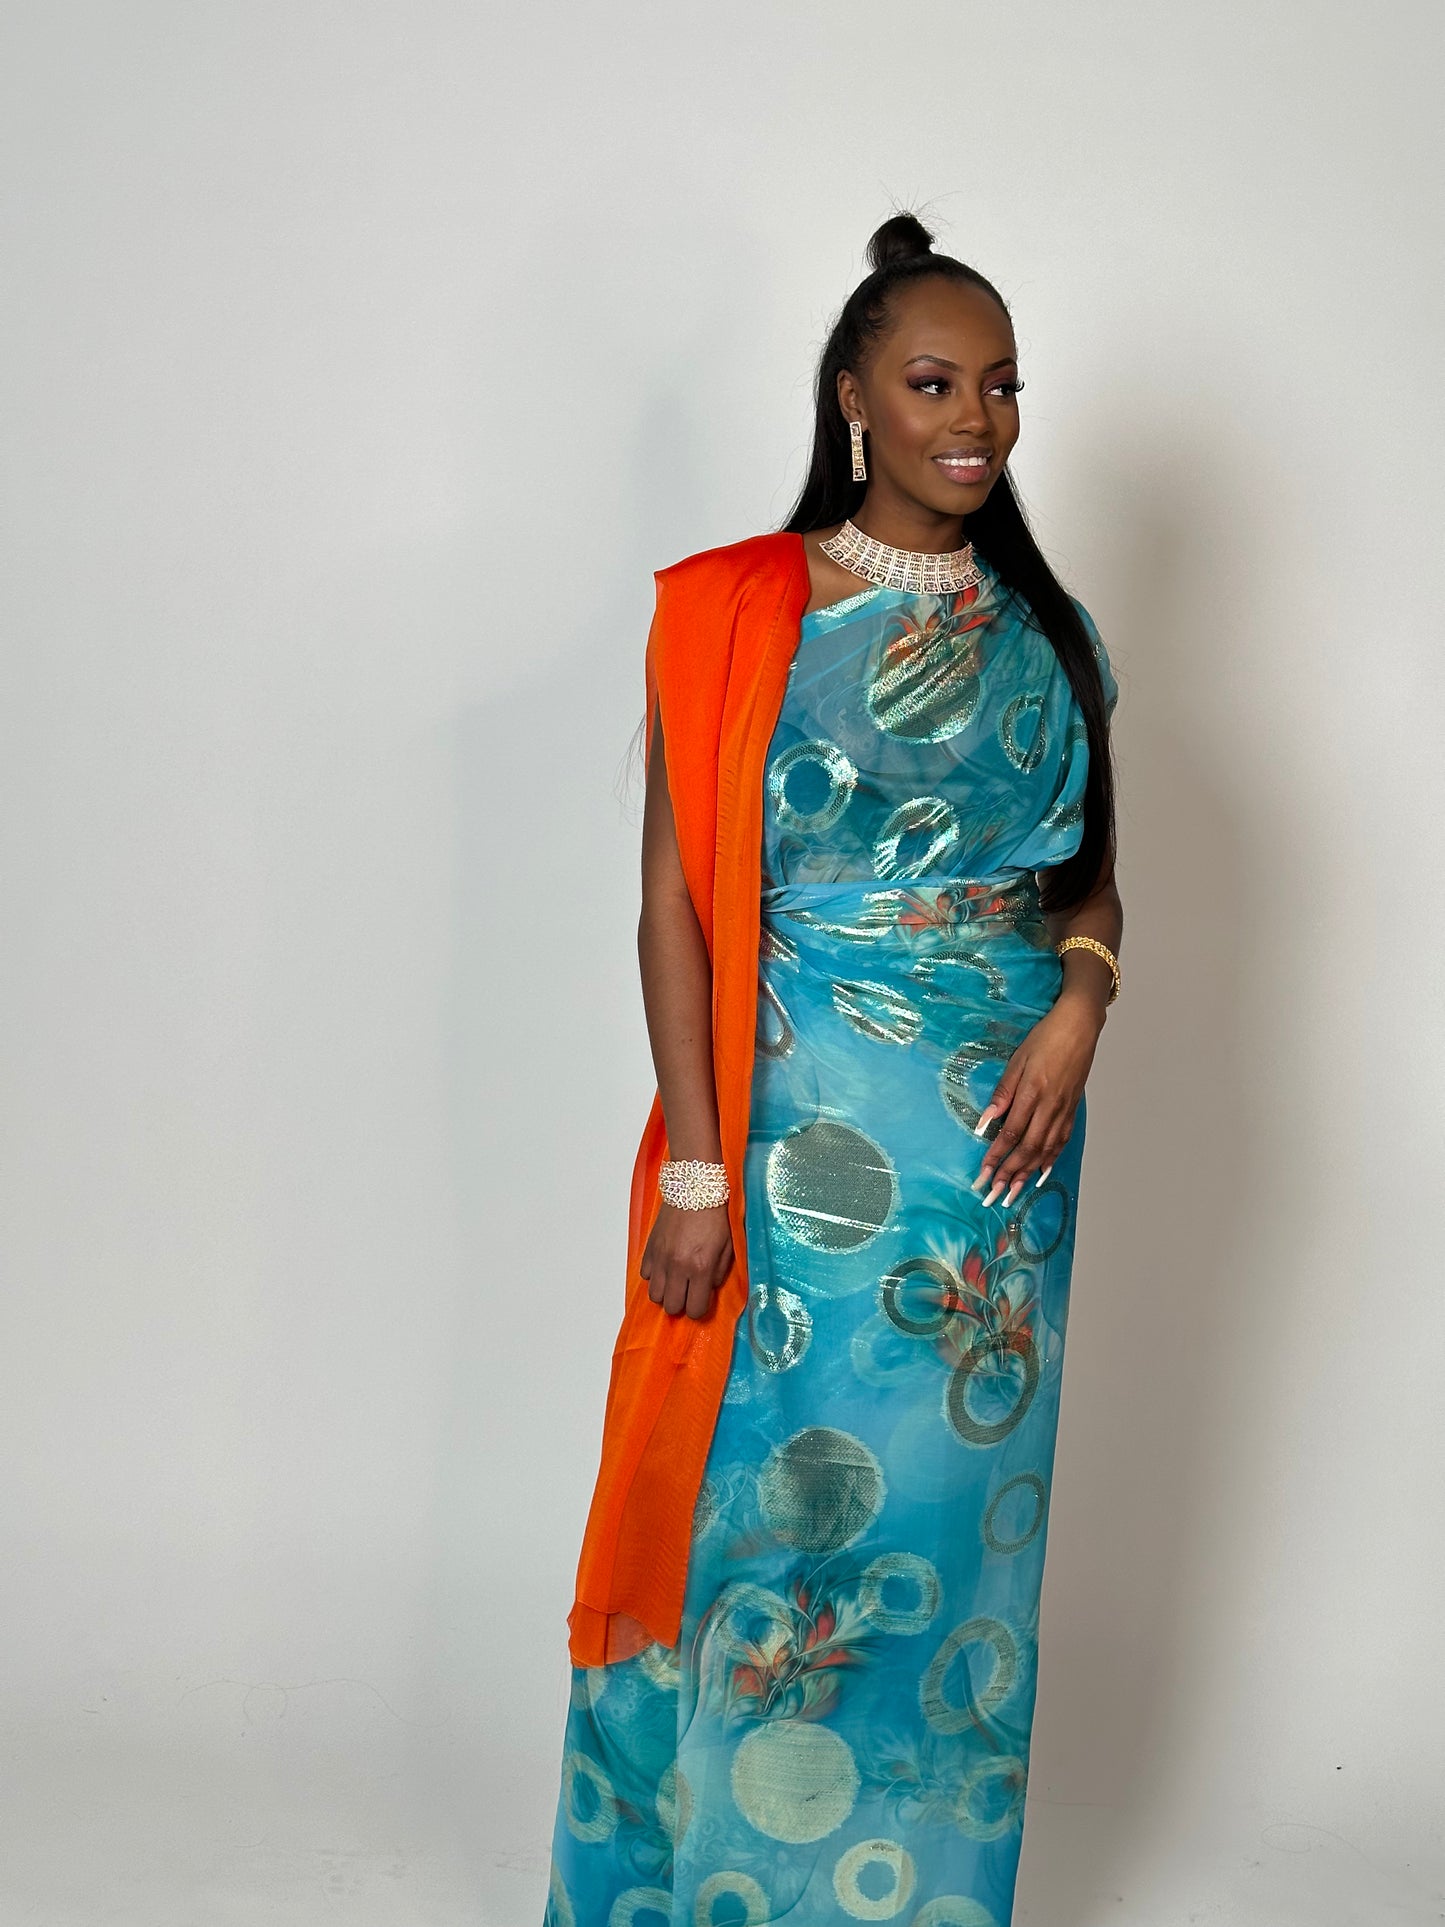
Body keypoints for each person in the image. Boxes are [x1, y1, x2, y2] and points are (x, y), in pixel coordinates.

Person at [543, 210, 1123, 1927]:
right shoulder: (738, 608)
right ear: (853, 399)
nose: (976, 419)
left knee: (956, 1539)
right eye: (934, 383)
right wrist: (696, 1170)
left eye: (1001, 386)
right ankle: (724, 1891)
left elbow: (1085, 883)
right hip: (797, 1141)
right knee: (779, 1524)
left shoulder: (1052, 631)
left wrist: (1080, 1006)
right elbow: (672, 907)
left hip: (1001, 1166)